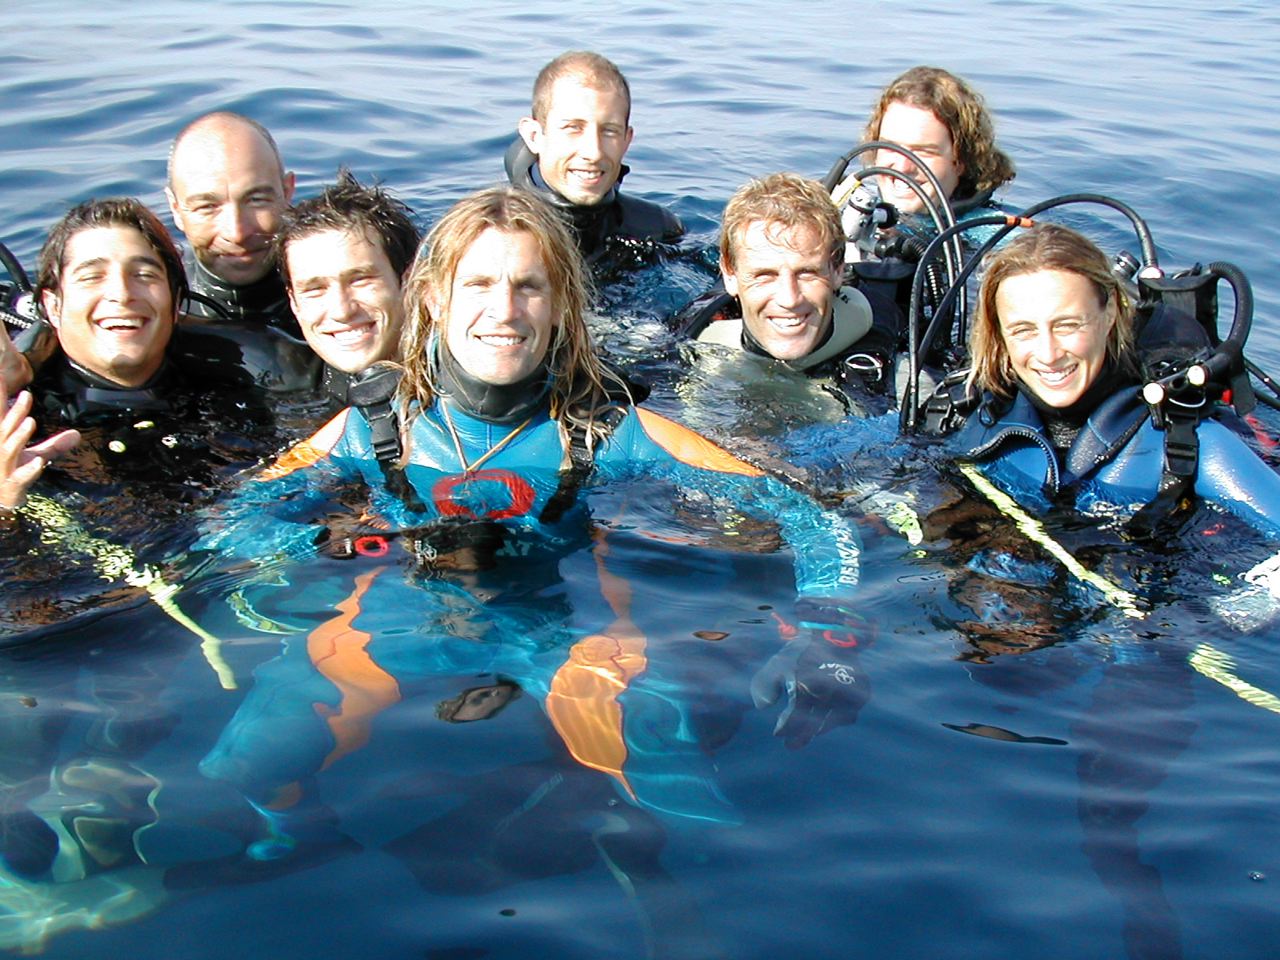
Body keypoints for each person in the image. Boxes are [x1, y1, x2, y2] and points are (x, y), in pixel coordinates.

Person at [197, 186, 867, 855]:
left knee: (683, 801)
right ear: (433, 298)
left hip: (560, 630)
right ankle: (290, 846)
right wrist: (330, 543)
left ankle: (667, 897)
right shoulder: (371, 427)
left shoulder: (609, 434)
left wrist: (827, 628)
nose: (504, 310)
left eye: (529, 287)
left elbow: (807, 517)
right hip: (396, 621)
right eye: (479, 283)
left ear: (560, 306)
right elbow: (231, 522)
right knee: (249, 765)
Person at [942, 223, 1280, 617]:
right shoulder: (966, 416)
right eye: (1024, 330)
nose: (1049, 354)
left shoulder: (1187, 443)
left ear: (1110, 315)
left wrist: (1250, 602)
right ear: (999, 335)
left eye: (1068, 325)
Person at [673, 173, 902, 409]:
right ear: (730, 275)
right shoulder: (692, 338)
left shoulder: (894, 356)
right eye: (765, 275)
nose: (789, 299)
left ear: (837, 270)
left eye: (807, 273)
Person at [829, 67, 1016, 355]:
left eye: (924, 152)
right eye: (890, 147)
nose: (902, 167)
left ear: (960, 160)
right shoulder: (849, 211)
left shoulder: (992, 236)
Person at [505, 50, 684, 267]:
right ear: (534, 136)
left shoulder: (656, 228)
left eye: (609, 131)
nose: (594, 152)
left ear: (627, 140)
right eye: (573, 128)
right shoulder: (489, 235)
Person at [274, 168, 422, 406]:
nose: (342, 311)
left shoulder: (468, 376)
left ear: (409, 281)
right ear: (294, 303)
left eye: (360, 280)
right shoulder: (289, 385)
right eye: (315, 290)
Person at [166, 111, 297, 331]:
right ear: (176, 209)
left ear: (287, 192)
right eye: (207, 207)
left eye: (256, 200)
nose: (237, 233)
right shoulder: (154, 304)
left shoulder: (343, 288)